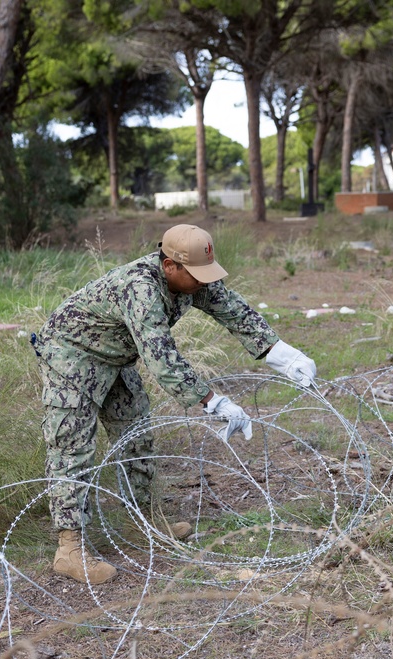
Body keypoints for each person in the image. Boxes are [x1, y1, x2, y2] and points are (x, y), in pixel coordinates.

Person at [31, 224, 317, 585]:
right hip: (72, 356)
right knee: (73, 448)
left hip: (115, 358)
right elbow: (161, 358)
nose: (203, 282)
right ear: (170, 266)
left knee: (136, 436)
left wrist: (284, 356)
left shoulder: (191, 278)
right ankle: (69, 549)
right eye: (197, 276)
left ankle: (143, 523)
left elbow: (234, 311)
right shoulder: (141, 288)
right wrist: (213, 401)